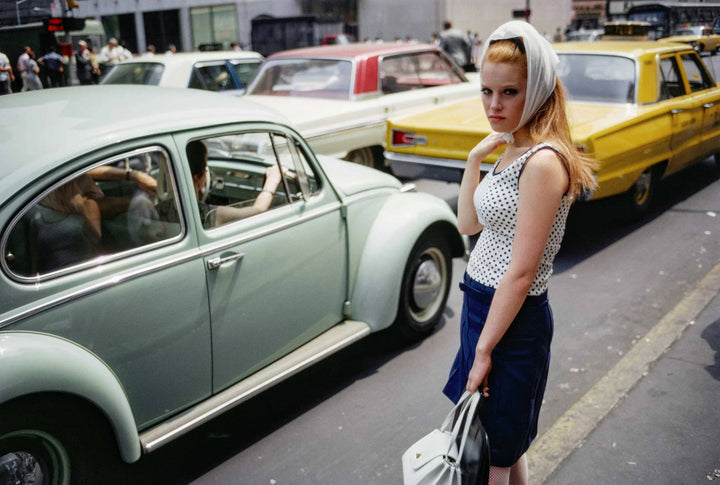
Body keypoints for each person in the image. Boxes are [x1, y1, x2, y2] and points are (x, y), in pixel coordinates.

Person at [441, 21, 596, 485]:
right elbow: (469, 225)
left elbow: (523, 272)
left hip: (512, 317)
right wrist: (473, 160)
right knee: (497, 442)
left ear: (539, 91)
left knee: (495, 451)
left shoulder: (544, 161)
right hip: (480, 304)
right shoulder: (513, 147)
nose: (494, 105)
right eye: (486, 91)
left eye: (509, 92)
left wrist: (486, 347)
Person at [162, 140, 283, 228]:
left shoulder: (158, 209)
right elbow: (258, 210)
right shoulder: (206, 214)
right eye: (205, 167)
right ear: (197, 177)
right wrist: (272, 181)